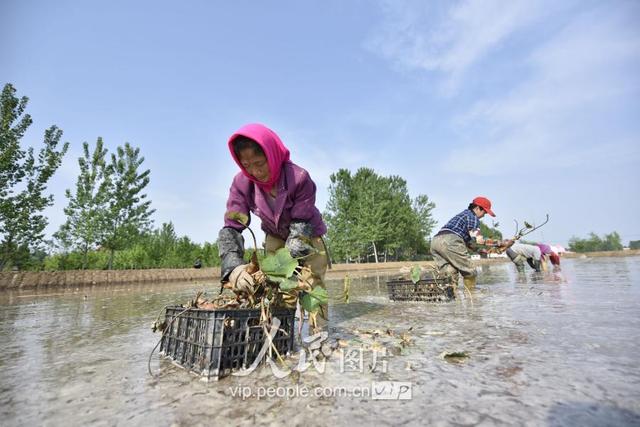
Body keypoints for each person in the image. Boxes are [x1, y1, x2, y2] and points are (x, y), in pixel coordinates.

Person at [217, 123, 329, 329]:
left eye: (259, 163)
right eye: (246, 165)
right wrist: (232, 266)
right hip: (275, 235)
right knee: (278, 289)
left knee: (311, 285)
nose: (255, 171)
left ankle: (319, 335)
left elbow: (300, 224)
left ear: (272, 154)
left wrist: (287, 261)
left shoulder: (299, 178)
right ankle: (282, 333)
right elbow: (232, 226)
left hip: (307, 234)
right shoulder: (241, 184)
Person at [431, 196, 504, 288]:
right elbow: (478, 240)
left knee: (449, 272)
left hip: (435, 241)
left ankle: (451, 298)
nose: (484, 215)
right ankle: (472, 297)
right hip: (450, 241)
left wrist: (478, 251)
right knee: (470, 271)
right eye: (484, 212)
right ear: (477, 208)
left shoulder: (462, 215)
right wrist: (498, 243)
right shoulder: (472, 217)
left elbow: (468, 242)